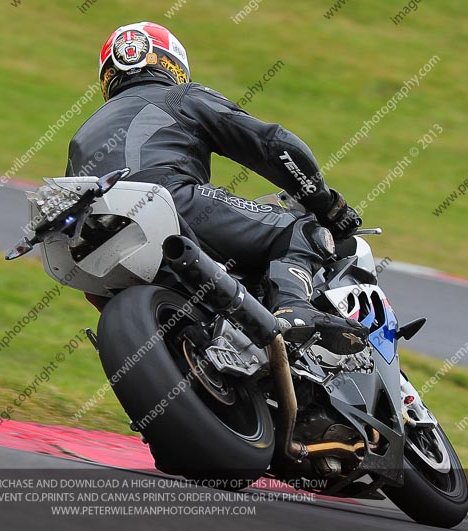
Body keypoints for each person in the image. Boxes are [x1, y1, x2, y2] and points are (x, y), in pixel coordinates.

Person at [66, 21, 368, 354]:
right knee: (300, 230)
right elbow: (273, 145)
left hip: (92, 236)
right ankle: (294, 309)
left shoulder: (82, 134)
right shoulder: (180, 95)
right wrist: (326, 205)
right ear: (173, 64)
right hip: (168, 201)